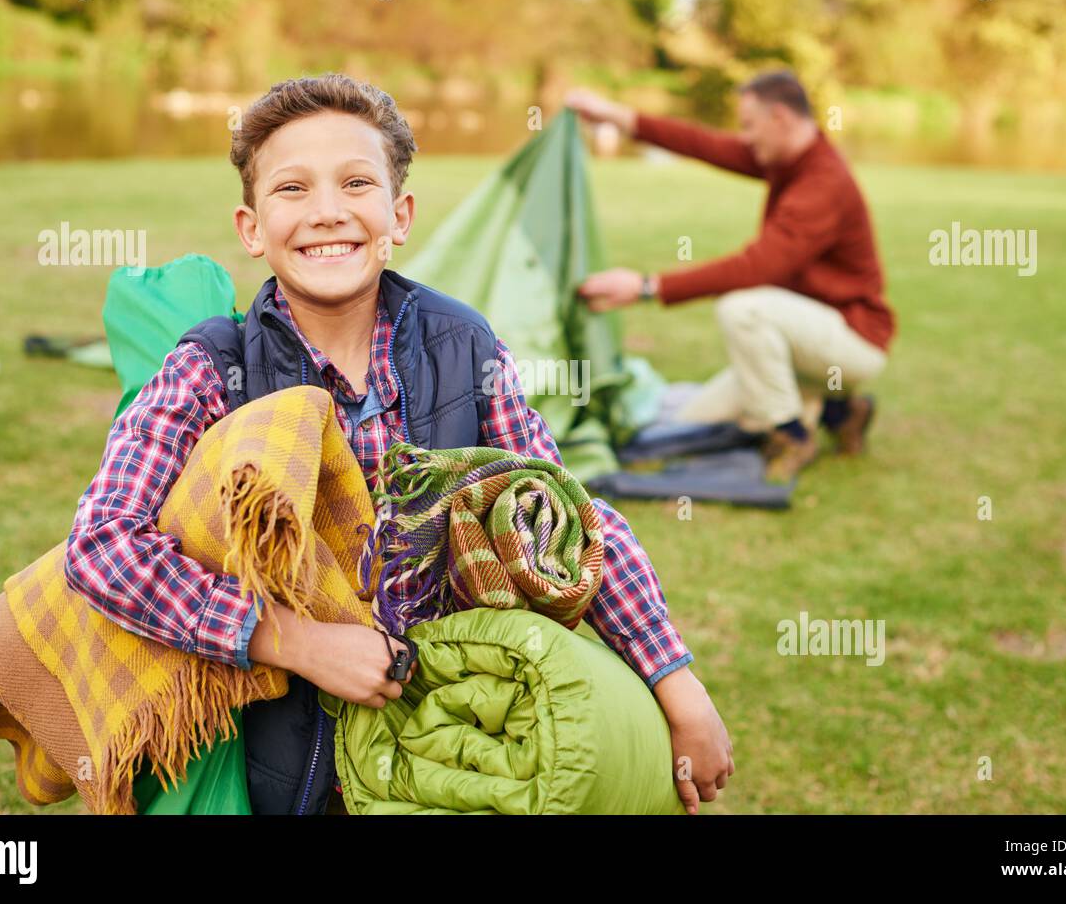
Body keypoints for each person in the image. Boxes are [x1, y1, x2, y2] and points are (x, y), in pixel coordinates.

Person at [63, 73, 733, 814]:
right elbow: (100, 543)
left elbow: (563, 516)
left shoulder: (462, 344)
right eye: (292, 189)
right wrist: (294, 642)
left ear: (399, 214)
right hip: (281, 762)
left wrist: (678, 685)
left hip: (447, 740)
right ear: (251, 228)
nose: (327, 212)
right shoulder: (211, 369)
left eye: (356, 182)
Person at [567, 71, 896, 483]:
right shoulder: (785, 158)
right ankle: (844, 412)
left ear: (780, 117)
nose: (746, 138)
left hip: (854, 337)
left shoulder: (822, 182)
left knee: (743, 309)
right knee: (696, 418)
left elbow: (756, 267)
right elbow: (701, 144)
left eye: (749, 126)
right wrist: (614, 116)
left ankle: (793, 435)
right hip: (810, 335)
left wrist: (646, 287)